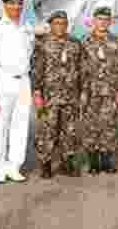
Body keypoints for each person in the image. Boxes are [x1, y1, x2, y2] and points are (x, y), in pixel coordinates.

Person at [31, 11, 85, 178]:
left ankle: (66, 162)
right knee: (47, 130)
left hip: (71, 95)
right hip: (50, 95)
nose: (60, 26)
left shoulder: (75, 43)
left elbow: (81, 68)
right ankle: (46, 164)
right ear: (51, 25)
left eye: (63, 23)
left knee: (69, 131)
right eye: (57, 23)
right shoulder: (42, 43)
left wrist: (83, 91)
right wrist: (37, 92)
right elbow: (36, 69)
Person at [0, 0, 35, 184]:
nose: (16, 7)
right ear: (5, 5)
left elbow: (30, 51)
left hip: (24, 79)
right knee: (0, 125)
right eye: (13, 4)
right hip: (3, 78)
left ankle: (14, 166)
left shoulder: (27, 27)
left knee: (21, 124)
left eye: (19, 4)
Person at [81, 7, 118, 175]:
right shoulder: (85, 41)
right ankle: (93, 162)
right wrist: (82, 91)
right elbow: (80, 68)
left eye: (106, 19)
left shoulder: (116, 41)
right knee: (91, 126)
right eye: (99, 19)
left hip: (110, 90)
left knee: (109, 125)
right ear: (94, 21)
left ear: (110, 22)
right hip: (91, 90)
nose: (102, 22)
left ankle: (107, 161)